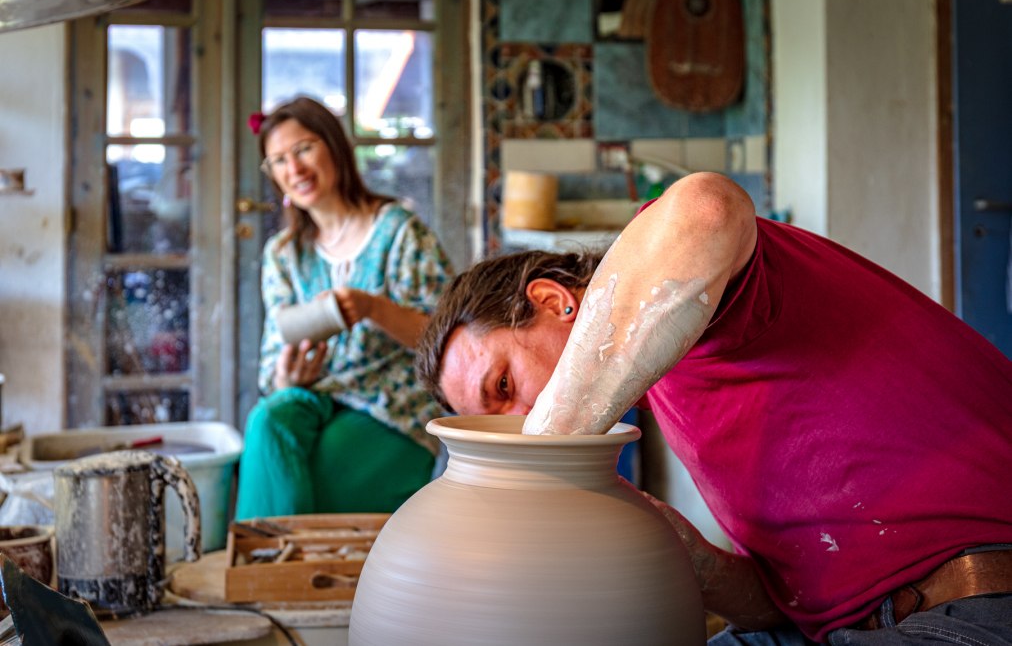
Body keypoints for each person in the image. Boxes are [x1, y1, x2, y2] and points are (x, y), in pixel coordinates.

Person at [415, 171, 1012, 645]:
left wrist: (544, 450)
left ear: (553, 301)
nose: (520, 417)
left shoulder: (696, 301)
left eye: (503, 385)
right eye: (505, 421)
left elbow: (706, 208)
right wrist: (691, 558)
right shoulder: (669, 393)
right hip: (845, 625)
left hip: (977, 597)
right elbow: (783, 604)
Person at [236, 96, 454, 520]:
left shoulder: (398, 232)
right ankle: (266, 574)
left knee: (310, 477)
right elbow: (271, 363)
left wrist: (371, 307)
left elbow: (449, 341)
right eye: (278, 161)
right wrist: (286, 376)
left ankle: (265, 573)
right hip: (316, 397)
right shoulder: (283, 253)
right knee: (266, 421)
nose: (294, 169)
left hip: (394, 407)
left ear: (334, 147)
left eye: (303, 149)